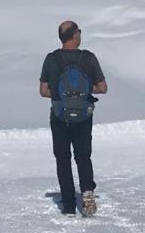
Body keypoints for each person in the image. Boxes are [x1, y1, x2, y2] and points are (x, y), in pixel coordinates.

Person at [39, 20, 107, 216]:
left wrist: (63, 95)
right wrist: (83, 92)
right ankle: (87, 195)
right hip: (84, 117)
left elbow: (43, 91)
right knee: (83, 157)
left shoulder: (51, 59)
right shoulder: (89, 58)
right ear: (75, 36)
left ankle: (68, 204)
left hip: (59, 115)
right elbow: (103, 88)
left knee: (63, 159)